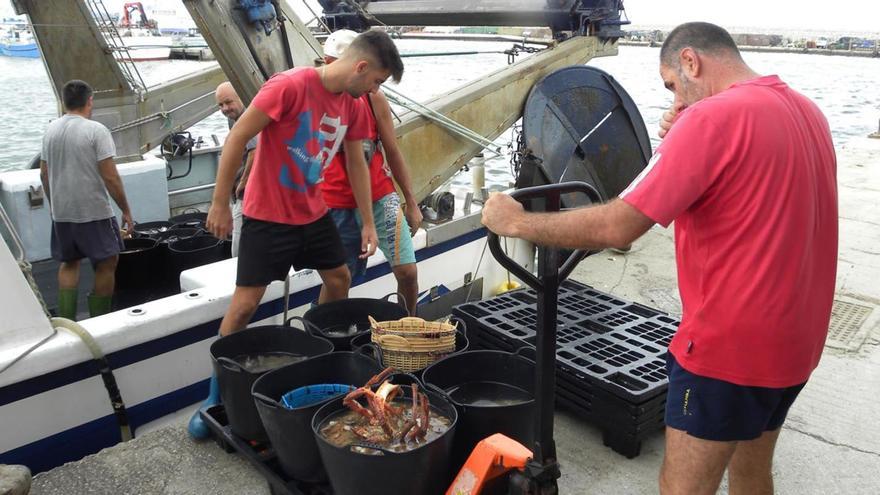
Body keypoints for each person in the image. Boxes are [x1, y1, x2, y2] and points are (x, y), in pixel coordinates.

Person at [481, 22, 837, 495]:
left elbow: (618, 227)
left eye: (671, 84)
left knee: (682, 487)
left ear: (690, 61)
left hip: (728, 351)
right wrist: (685, 120)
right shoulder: (806, 109)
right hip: (798, 342)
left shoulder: (712, 120)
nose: (673, 96)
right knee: (752, 471)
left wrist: (516, 222)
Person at [188, 30, 404, 439]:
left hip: (312, 212)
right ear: (360, 67)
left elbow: (357, 162)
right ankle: (213, 394)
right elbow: (237, 136)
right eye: (376, 80)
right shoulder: (289, 86)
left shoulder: (354, 105)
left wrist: (368, 221)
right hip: (266, 216)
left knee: (339, 278)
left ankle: (312, 357)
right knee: (245, 305)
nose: (375, 90)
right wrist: (218, 203)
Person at [319, 29, 422, 314]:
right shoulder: (315, 95)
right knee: (339, 281)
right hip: (335, 202)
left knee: (408, 273)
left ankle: (408, 328)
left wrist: (411, 202)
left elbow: (392, 150)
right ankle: (326, 337)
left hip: (379, 195)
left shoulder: (373, 99)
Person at [39, 79, 134, 320]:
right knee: (108, 261)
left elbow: (44, 173)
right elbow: (110, 177)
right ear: (89, 101)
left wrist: (54, 206)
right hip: (93, 212)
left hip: (62, 213)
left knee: (69, 262)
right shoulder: (96, 130)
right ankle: (99, 319)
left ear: (64, 102)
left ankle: (67, 320)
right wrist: (126, 210)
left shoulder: (50, 130)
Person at [214, 81, 257, 257]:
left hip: (246, 196)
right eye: (220, 105)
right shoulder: (234, 120)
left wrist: (243, 183)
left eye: (228, 102)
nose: (225, 108)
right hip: (240, 195)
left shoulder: (248, 119)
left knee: (239, 252)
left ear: (241, 97)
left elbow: (255, 151)